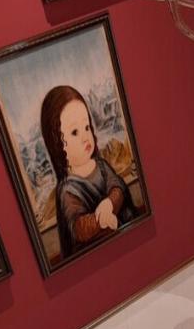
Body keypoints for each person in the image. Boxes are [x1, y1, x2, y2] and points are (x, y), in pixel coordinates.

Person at [39, 84, 137, 260]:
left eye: (87, 127)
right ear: (57, 144)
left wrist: (108, 204)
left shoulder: (101, 165)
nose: (85, 136)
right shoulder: (68, 190)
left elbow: (118, 188)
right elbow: (79, 228)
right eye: (75, 132)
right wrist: (100, 220)